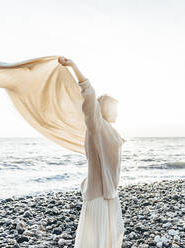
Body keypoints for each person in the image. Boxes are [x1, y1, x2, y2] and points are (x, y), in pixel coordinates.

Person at [58, 57, 126, 247]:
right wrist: (73, 66)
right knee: (96, 241)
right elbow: (89, 93)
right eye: (115, 108)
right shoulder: (97, 125)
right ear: (104, 109)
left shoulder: (111, 130)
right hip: (98, 194)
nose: (118, 113)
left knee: (114, 236)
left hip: (111, 193)